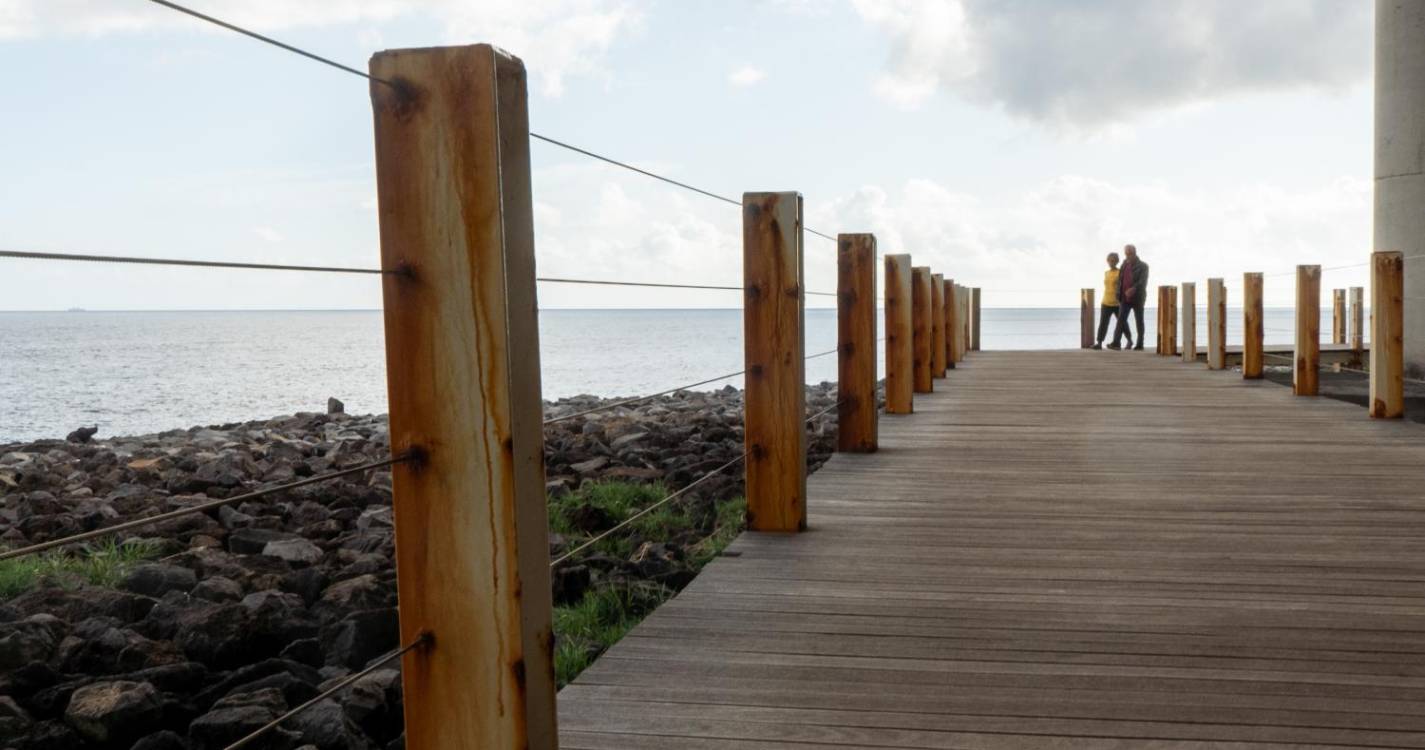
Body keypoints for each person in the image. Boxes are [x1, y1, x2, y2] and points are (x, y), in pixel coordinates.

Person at [1108, 244, 1148, 351]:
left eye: (1130, 253)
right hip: (1124, 298)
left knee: (1139, 321)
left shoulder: (1143, 266)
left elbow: (1142, 282)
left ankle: (1140, 344)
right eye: (1126, 253)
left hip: (1138, 298)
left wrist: (1133, 289)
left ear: (1135, 253)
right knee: (1121, 320)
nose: (1128, 255)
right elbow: (1120, 280)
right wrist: (1118, 293)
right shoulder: (1124, 264)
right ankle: (1116, 343)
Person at [1091, 252, 1129, 350]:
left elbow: (1124, 287)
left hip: (1117, 303)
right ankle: (1099, 343)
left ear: (1117, 261)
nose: (1112, 262)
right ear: (1107, 261)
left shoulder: (1120, 272)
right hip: (1106, 302)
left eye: (1114, 261)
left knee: (1122, 324)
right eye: (1110, 261)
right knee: (1103, 323)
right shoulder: (1106, 273)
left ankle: (1129, 341)